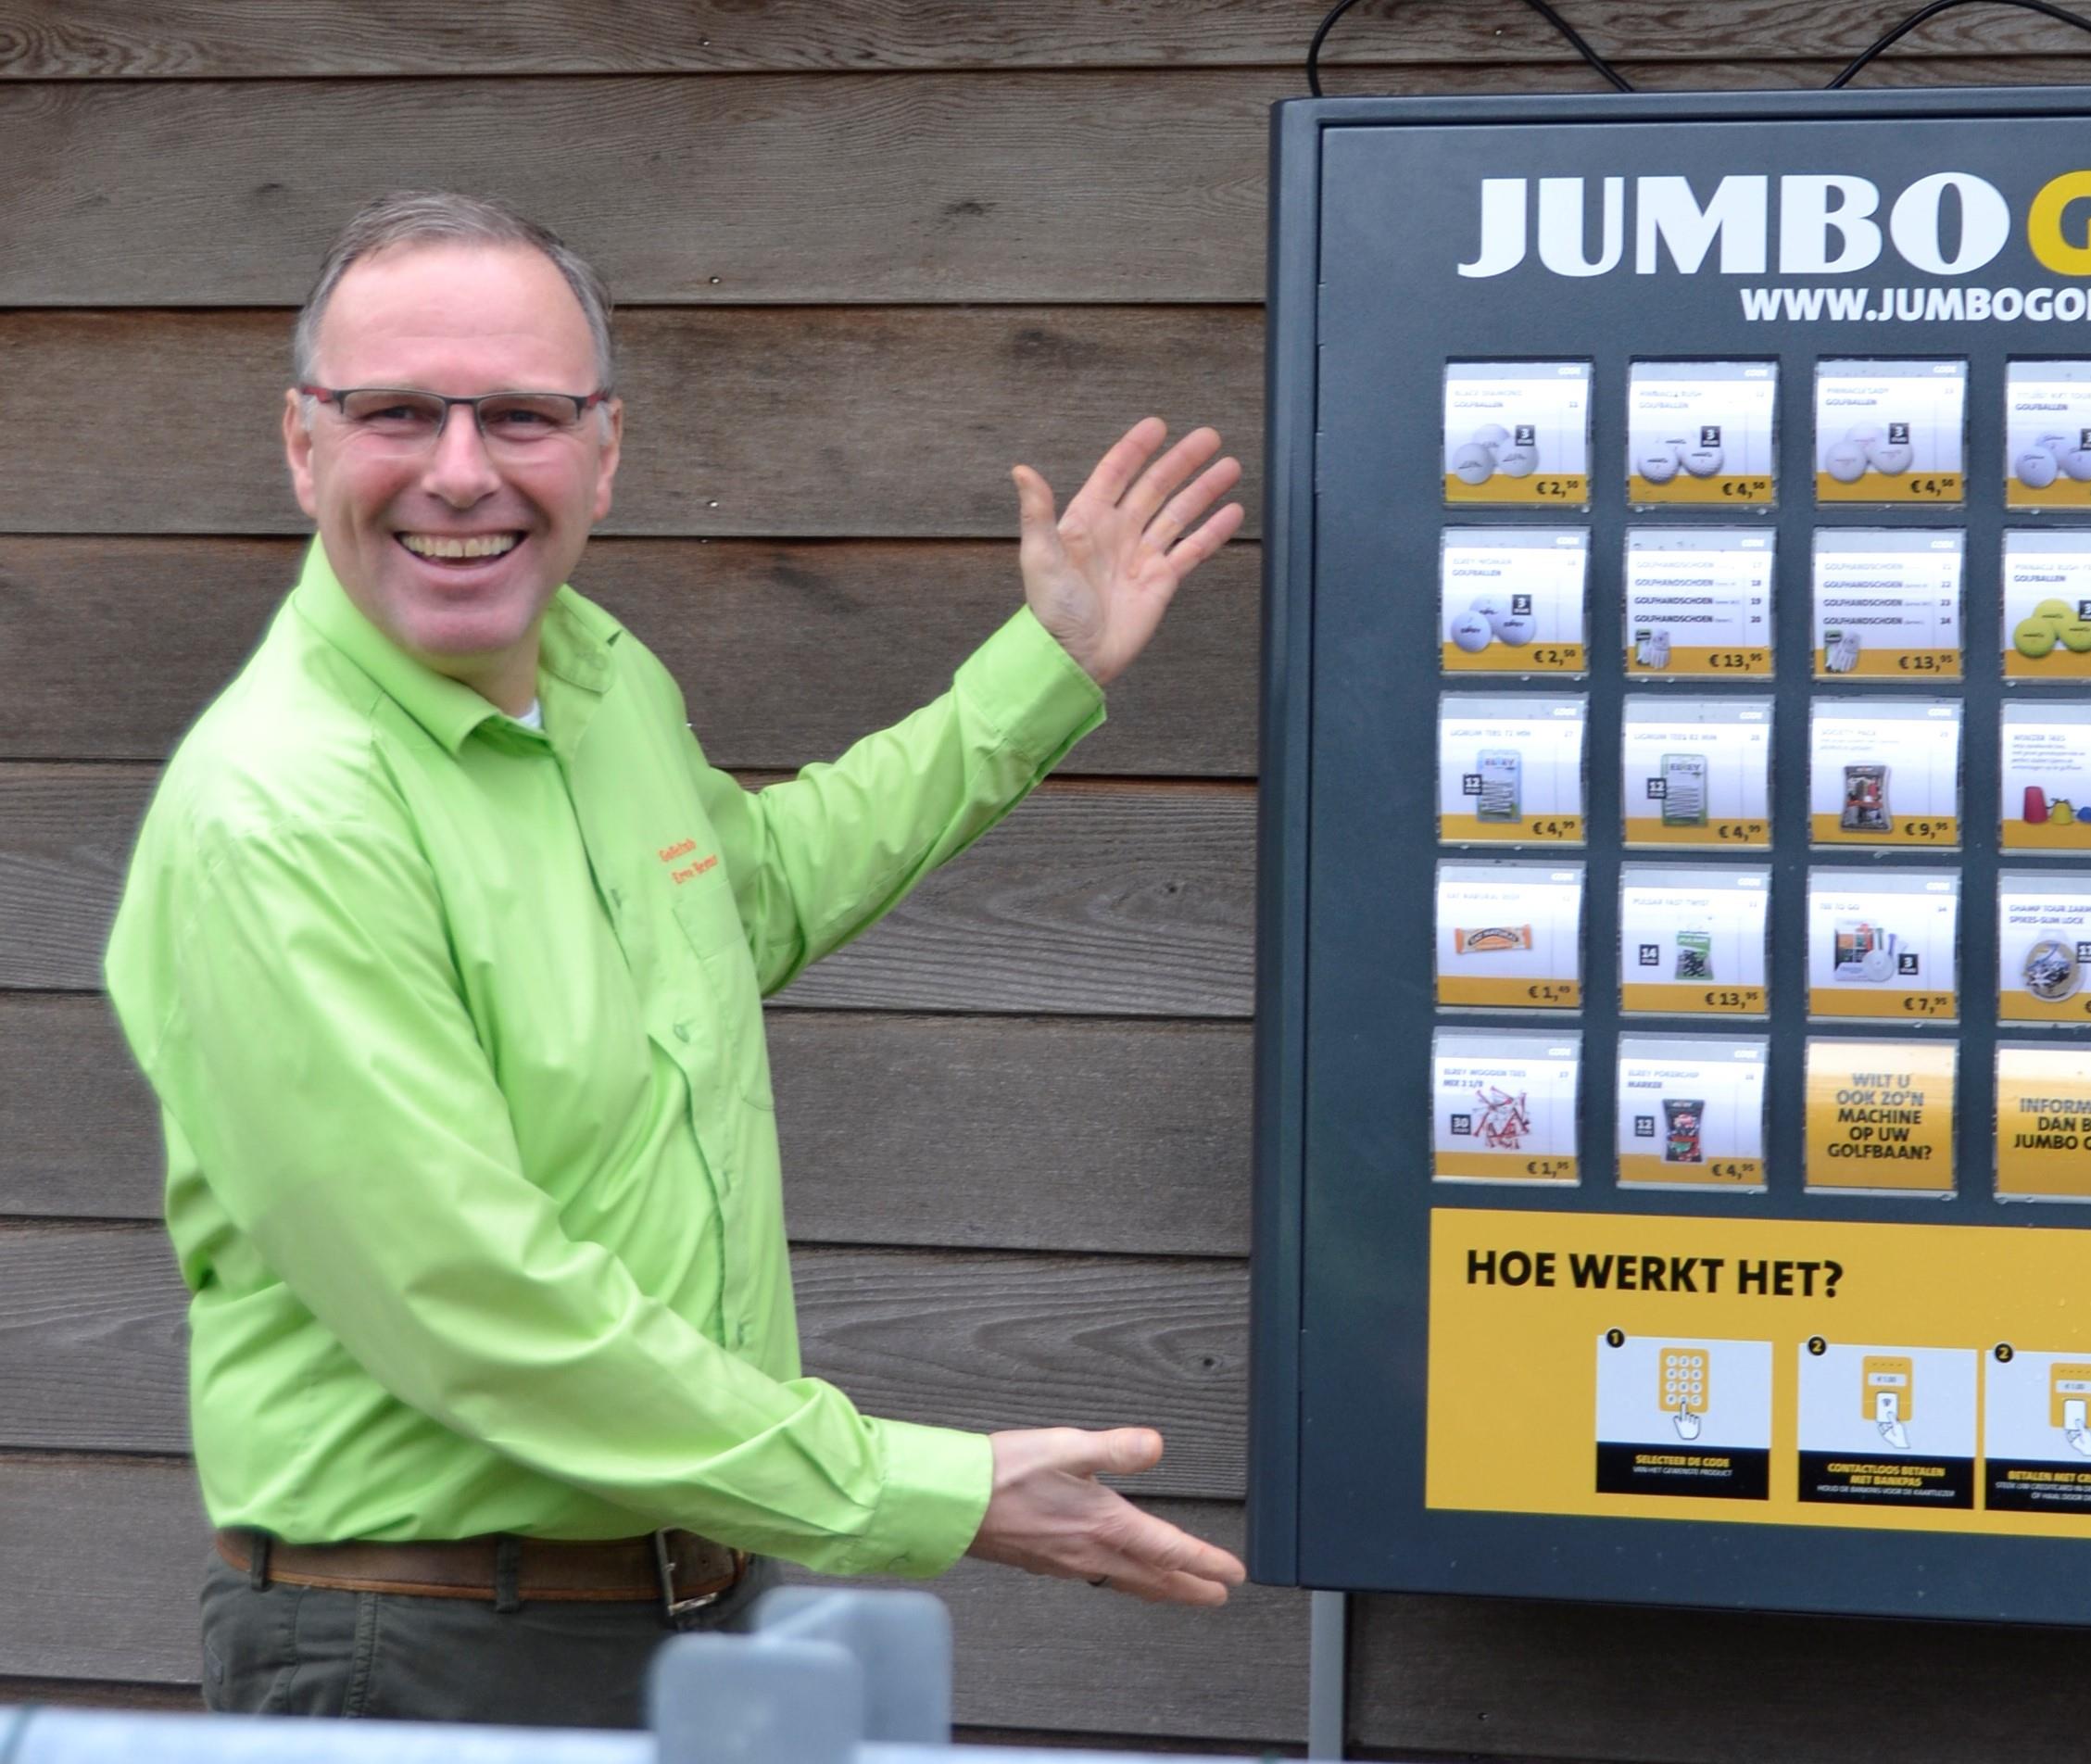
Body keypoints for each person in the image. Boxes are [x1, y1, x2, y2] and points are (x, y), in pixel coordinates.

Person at [101, 191, 1249, 1729]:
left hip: (687, 1609)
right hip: (424, 1656)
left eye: (521, 415)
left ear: (605, 451)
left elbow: (744, 899)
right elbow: (474, 1301)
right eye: (396, 414)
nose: (460, 471)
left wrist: (1039, 675)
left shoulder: (595, 674)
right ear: (304, 443)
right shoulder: (285, 813)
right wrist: (923, 1490)